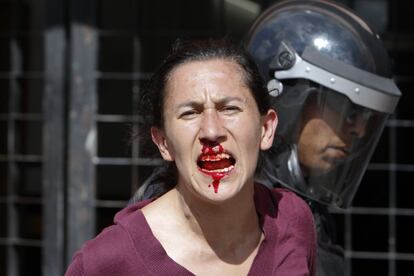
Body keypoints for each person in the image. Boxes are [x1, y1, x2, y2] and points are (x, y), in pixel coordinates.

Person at [65, 39, 317, 275]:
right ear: (163, 143)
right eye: (189, 113)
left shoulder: (292, 220)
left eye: (229, 109)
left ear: (266, 129)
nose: (211, 131)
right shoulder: (106, 261)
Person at [244, 0, 401, 275]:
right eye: (342, 107)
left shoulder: (301, 206)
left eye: (363, 115)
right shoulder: (234, 214)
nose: (358, 130)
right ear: (285, 102)